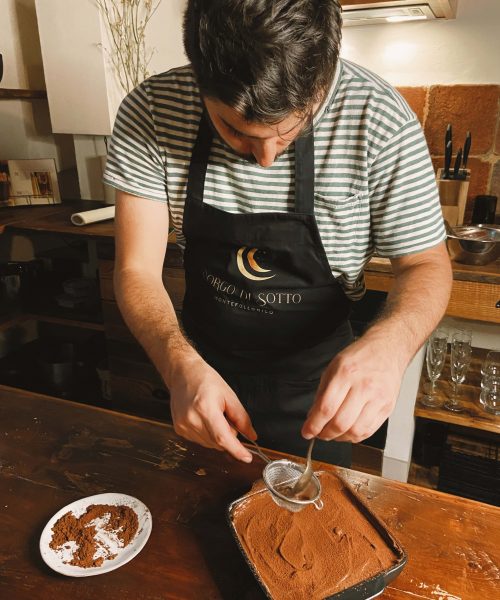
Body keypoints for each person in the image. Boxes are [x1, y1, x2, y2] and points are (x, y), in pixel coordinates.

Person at [103, 0, 452, 467]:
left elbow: (425, 263)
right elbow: (136, 268)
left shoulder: (379, 119)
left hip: (317, 387)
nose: (265, 158)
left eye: (288, 133)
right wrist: (176, 364)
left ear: (323, 77)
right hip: (198, 364)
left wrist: (390, 346)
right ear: (198, 76)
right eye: (235, 130)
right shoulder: (152, 110)